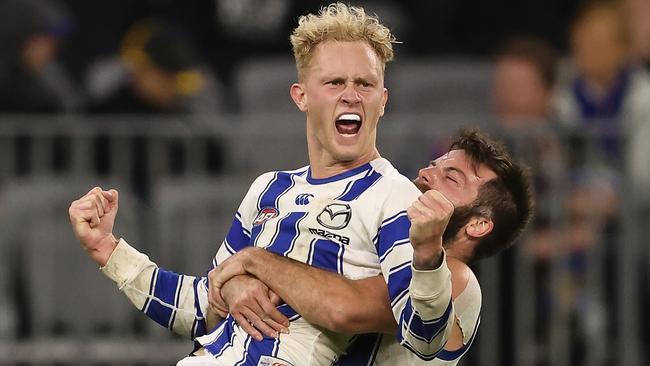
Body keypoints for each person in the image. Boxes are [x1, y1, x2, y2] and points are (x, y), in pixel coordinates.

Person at [69, 3, 455, 365]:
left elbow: (424, 337)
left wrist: (428, 258)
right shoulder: (268, 189)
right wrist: (109, 250)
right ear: (301, 96)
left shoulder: (394, 196)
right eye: (335, 82)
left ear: (383, 100)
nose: (351, 95)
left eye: (365, 84)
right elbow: (203, 309)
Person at [204, 128, 534, 365]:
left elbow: (341, 307)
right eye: (433, 165)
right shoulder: (380, 251)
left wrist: (255, 261)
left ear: (478, 225)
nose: (424, 173)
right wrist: (236, 286)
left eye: (451, 178)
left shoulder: (455, 276)